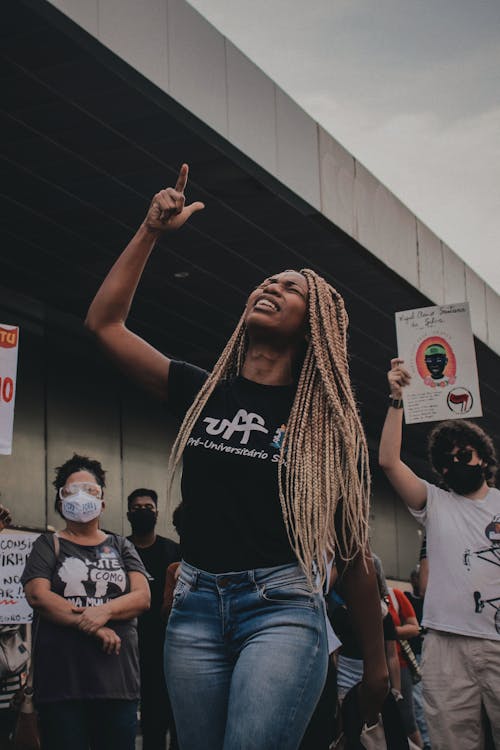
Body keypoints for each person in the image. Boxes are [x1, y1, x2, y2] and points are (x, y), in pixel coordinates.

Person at [85, 164, 389, 750]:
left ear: (315, 327)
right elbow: (104, 324)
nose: (271, 287)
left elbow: (353, 555)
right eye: (266, 281)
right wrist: (150, 230)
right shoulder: (203, 393)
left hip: (282, 609)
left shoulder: (330, 431)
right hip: (195, 608)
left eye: (291, 287)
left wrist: (374, 666)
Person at [379, 357, 500, 750]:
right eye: (446, 459)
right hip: (445, 645)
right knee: (451, 741)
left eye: (463, 454)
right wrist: (397, 399)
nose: (455, 463)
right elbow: (388, 461)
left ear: (483, 458)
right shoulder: (435, 502)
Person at [21, 454, 150, 750]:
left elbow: (142, 597)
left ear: (102, 502)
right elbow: (39, 596)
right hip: (62, 685)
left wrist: (103, 611)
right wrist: (92, 626)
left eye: (90, 490)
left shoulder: (121, 545)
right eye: (72, 490)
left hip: (118, 685)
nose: (81, 497)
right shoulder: (48, 545)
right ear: (60, 500)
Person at [127, 488, 180, 750]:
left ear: (157, 513)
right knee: (149, 721)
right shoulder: (121, 551)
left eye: (148, 507)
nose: (143, 512)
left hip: (169, 647)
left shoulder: (173, 552)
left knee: (176, 718)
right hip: (131, 647)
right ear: (128, 514)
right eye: (137, 508)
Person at [404, 567, 431, 750]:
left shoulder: (430, 602)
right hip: (412, 657)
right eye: (416, 577)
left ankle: (428, 740)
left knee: (425, 698)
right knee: (417, 701)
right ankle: (426, 742)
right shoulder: (406, 598)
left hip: (426, 654)